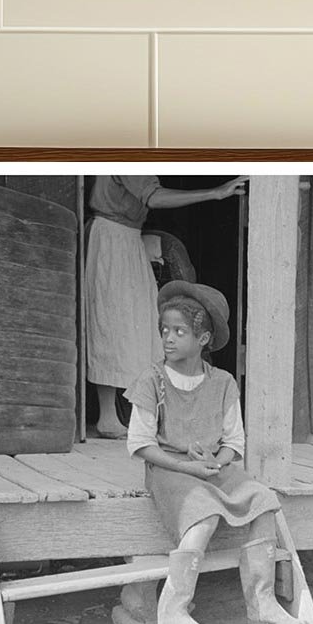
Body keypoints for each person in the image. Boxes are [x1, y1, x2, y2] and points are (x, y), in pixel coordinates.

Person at [123, 281, 310, 624]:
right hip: (168, 469)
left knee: (261, 499)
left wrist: (216, 460)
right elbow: (141, 444)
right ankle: (173, 614)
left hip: (210, 465)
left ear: (204, 338)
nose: (169, 339)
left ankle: (263, 604)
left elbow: (234, 442)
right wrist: (188, 468)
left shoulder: (222, 383)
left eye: (180, 331)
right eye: (165, 330)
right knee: (204, 510)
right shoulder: (153, 380)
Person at [85, 175, 247, 438]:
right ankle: (107, 417)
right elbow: (154, 197)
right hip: (112, 238)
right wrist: (214, 192)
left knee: (139, 326)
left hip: (126, 236)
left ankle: (134, 416)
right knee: (113, 323)